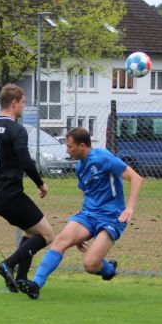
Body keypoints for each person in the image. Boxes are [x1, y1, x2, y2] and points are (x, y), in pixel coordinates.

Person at [18, 127, 143, 299]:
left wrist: (129, 208)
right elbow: (88, 193)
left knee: (90, 264)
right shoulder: (79, 167)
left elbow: (136, 178)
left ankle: (108, 269)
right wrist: (80, 233)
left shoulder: (103, 157)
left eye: (70, 146)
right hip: (88, 214)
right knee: (61, 240)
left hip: (112, 217)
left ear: (82, 146)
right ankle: (36, 284)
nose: (67, 150)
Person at [0, 83, 54, 293]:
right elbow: (26, 162)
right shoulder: (16, 129)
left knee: (30, 231)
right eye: (23, 102)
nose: (25, 106)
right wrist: (41, 184)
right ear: (14, 103)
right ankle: (8, 264)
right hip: (11, 195)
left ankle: (20, 278)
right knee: (48, 235)